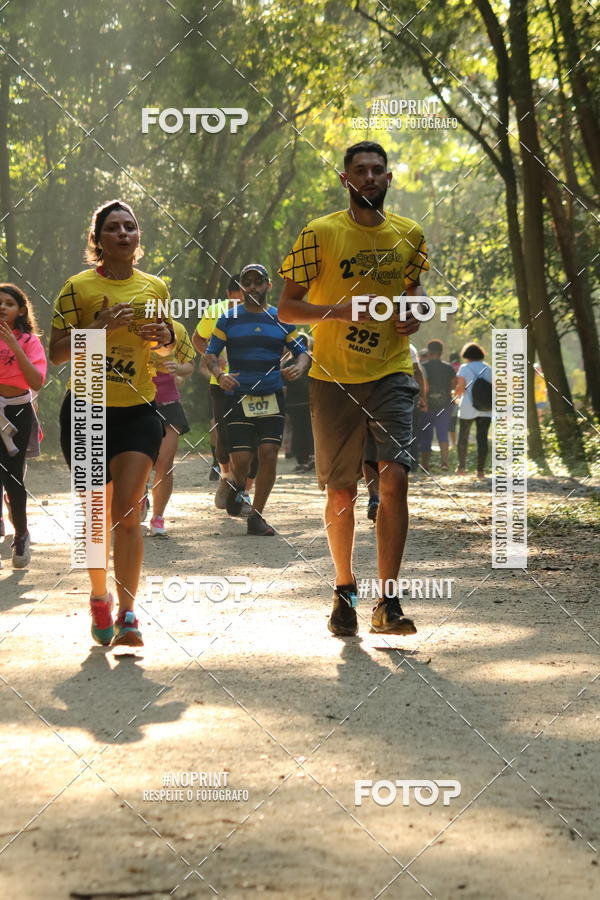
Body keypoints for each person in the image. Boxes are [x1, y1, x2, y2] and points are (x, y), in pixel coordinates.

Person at [278, 140, 427, 636]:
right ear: (345, 180)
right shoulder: (319, 234)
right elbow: (286, 308)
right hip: (332, 378)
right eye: (359, 170)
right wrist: (336, 312)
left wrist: (414, 312)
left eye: (377, 170)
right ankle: (344, 589)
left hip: (391, 371)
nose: (368, 177)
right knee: (341, 492)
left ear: (389, 179)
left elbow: (414, 293)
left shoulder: (409, 234)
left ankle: (388, 602)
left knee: (394, 480)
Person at [49, 199, 174, 647]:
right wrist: (97, 327)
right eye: (113, 228)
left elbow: (165, 351)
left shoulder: (155, 286)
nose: (123, 234)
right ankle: (99, 597)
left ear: (138, 238)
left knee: (126, 513)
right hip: (87, 407)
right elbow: (57, 353)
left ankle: (128, 614)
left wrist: (164, 337)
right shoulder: (77, 287)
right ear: (98, 240)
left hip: (138, 409)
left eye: (130, 227)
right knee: (95, 516)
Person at [205, 263, 310, 536]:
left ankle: (257, 516)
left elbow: (302, 351)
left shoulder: (281, 318)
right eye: (246, 282)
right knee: (241, 460)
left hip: (272, 395)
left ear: (267, 286)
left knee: (268, 454)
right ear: (240, 287)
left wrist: (300, 366)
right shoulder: (228, 318)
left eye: (257, 281)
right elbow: (210, 353)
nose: (252, 286)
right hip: (238, 396)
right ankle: (235, 485)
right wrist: (219, 373)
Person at [193, 275, 257, 507]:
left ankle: (246, 492)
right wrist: (212, 357)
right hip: (221, 384)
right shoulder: (216, 310)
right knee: (224, 433)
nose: (248, 292)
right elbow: (197, 338)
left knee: (255, 439)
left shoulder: (264, 311)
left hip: (255, 384)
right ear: (230, 293)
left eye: (253, 287)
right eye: (242, 289)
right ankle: (227, 476)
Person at [0, 283, 47, 567]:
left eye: (9, 303)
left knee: (12, 475)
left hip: (17, 411)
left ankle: (21, 534)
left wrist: (15, 346)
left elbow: (36, 381)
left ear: (20, 310)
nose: (3, 306)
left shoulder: (30, 341)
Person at [148, 320, 195, 536]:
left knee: (164, 462)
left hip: (169, 403)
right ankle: (139, 499)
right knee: (142, 462)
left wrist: (178, 369)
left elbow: (189, 365)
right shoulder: (131, 326)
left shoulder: (178, 329)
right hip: (137, 402)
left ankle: (158, 517)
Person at [454, 342, 492, 479]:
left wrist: (455, 396)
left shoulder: (464, 368)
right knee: (482, 439)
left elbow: (461, 388)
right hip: (485, 409)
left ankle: (461, 467)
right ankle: (480, 471)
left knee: (463, 438)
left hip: (467, 407)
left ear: (467, 355)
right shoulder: (488, 368)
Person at [419, 339, 457, 472]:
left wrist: (423, 401)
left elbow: (423, 386)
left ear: (429, 352)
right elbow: (454, 385)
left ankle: (425, 465)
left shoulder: (423, 367)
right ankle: (444, 462)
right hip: (445, 404)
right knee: (442, 432)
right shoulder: (448, 367)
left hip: (427, 404)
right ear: (441, 352)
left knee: (426, 434)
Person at [283, 332, 314, 472]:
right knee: (309, 431)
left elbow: (283, 385)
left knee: (299, 432)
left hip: (294, 404)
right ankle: (310, 459)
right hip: (308, 402)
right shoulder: (313, 361)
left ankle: (303, 460)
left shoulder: (288, 363)